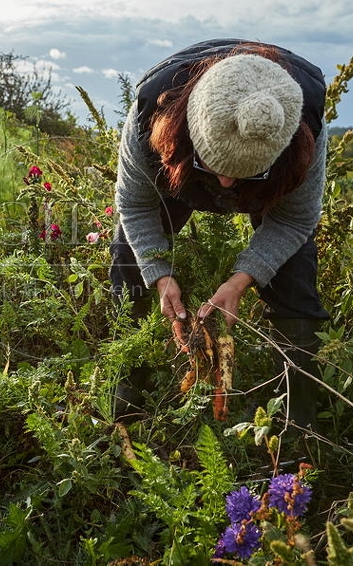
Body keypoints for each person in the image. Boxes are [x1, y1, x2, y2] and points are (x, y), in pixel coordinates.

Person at [109, 38, 330, 432]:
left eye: (246, 171)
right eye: (214, 164)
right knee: (129, 260)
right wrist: (158, 273)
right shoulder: (152, 117)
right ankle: (128, 393)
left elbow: (295, 222)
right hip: (176, 173)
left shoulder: (303, 136)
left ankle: (300, 421)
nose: (226, 183)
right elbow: (136, 206)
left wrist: (241, 280)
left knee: (295, 282)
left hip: (270, 188)